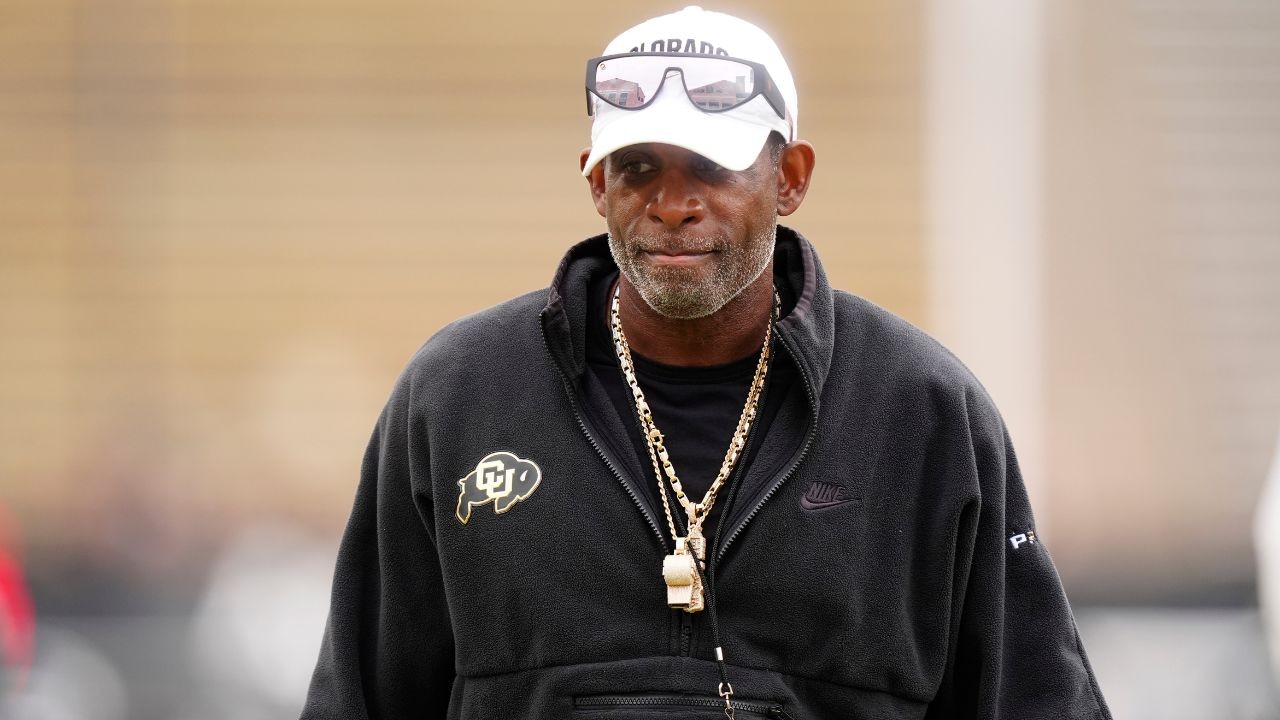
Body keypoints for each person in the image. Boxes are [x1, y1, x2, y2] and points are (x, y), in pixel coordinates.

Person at [301, 6, 1112, 719]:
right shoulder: (457, 396)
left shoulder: (924, 411)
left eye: (713, 169)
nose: (673, 204)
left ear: (790, 178)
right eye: (638, 168)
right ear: (597, 183)